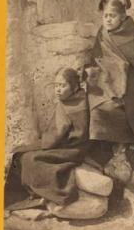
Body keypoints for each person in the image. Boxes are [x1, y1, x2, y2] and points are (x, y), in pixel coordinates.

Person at [85, 0, 134, 183]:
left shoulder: (128, 32)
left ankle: (123, 150)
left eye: (113, 16)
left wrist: (119, 77)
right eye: (106, 15)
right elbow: (98, 57)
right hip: (106, 79)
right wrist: (97, 72)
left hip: (131, 80)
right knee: (97, 105)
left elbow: (132, 62)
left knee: (125, 108)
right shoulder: (102, 32)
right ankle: (103, 153)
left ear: (122, 17)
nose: (108, 19)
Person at [5, 68, 90, 210]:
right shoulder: (74, 99)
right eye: (56, 85)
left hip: (72, 148)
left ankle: (39, 195)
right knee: (22, 154)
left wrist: (39, 144)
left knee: (28, 158)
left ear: (75, 86)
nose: (58, 90)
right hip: (65, 144)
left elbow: (57, 135)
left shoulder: (74, 104)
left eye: (62, 86)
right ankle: (35, 193)